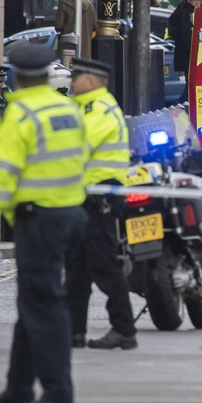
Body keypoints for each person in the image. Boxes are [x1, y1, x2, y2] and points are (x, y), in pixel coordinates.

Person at [0, 43, 89, 403]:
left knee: (44, 304)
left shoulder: (19, 113)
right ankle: (18, 385)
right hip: (73, 215)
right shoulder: (68, 110)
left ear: (18, 75)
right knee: (33, 302)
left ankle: (59, 393)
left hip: (39, 219)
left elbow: (0, 174)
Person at [65, 57, 137, 351]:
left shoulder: (101, 108)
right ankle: (74, 332)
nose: (71, 83)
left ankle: (124, 330)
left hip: (100, 198)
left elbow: (77, 144)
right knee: (76, 270)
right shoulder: (82, 107)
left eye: (76, 78)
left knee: (104, 266)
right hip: (84, 197)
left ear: (91, 81)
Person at [166, 0, 196, 77]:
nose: (198, 2)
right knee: (189, 77)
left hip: (186, 51)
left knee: (189, 80)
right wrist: (192, 49)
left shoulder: (184, 10)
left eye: (199, 0)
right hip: (187, 52)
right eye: (195, 0)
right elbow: (185, 33)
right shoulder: (184, 13)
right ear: (189, 0)